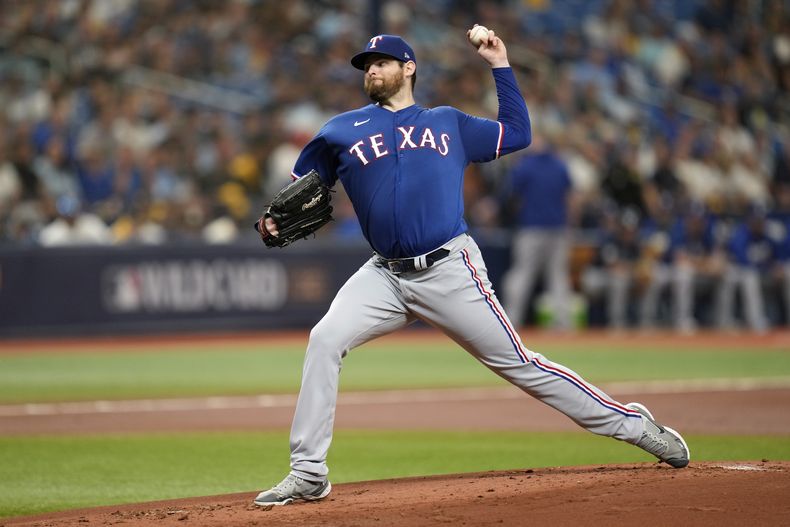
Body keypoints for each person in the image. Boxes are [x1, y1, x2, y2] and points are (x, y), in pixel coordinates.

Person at [254, 28, 689, 508]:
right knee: (324, 340)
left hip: (450, 269)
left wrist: (500, 64)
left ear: (409, 68)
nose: (371, 70)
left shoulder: (448, 122)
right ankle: (309, 472)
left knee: (523, 366)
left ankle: (635, 425)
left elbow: (518, 133)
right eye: (366, 64)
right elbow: (300, 187)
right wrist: (275, 218)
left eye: (381, 61)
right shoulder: (340, 130)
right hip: (384, 275)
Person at [502, 132, 575, 330]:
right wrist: (569, 224)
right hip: (557, 227)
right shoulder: (560, 165)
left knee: (523, 273)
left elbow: (512, 197)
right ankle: (563, 323)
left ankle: (511, 321)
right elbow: (569, 199)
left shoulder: (525, 166)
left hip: (531, 228)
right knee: (557, 276)